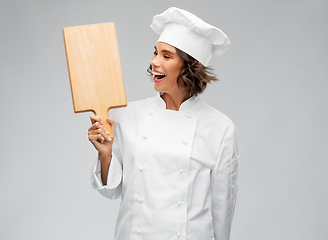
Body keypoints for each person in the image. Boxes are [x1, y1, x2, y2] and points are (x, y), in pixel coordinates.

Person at [88, 7, 239, 240]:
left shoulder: (220, 128)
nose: (154, 62)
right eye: (155, 53)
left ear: (191, 67)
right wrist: (106, 154)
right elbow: (112, 191)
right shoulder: (129, 114)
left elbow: (222, 210)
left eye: (166, 56)